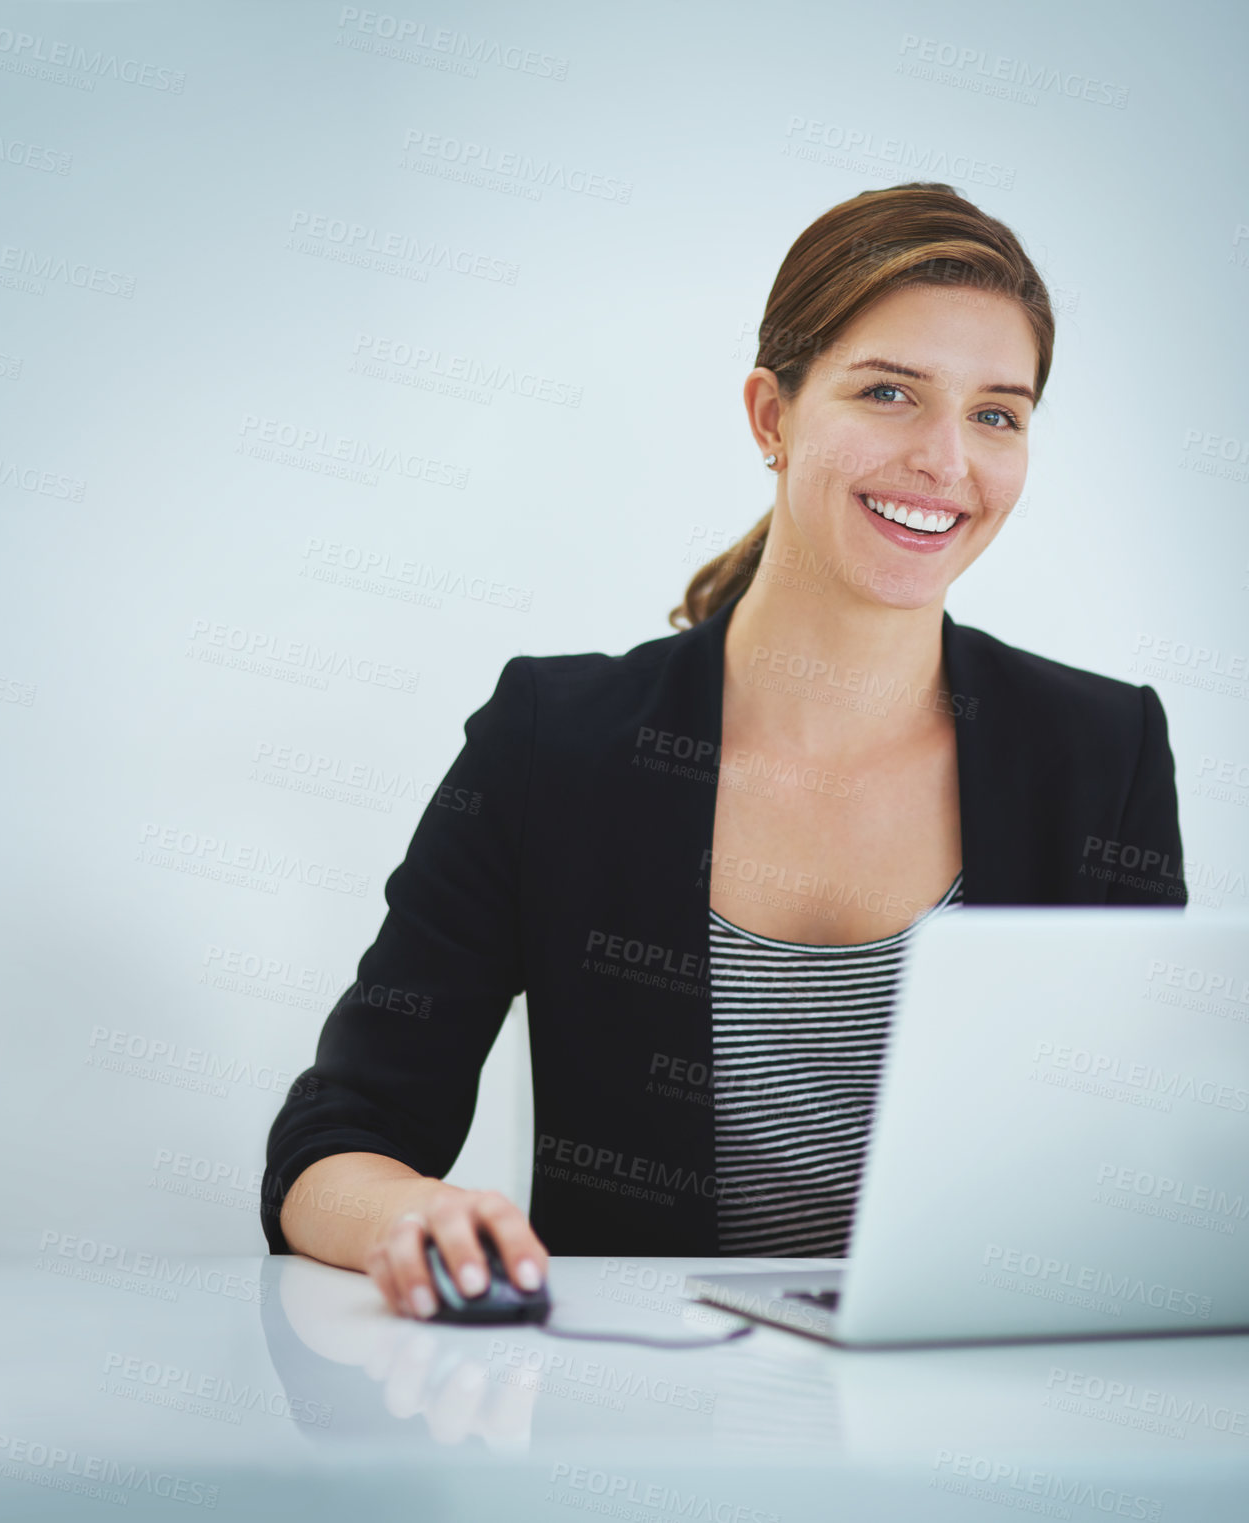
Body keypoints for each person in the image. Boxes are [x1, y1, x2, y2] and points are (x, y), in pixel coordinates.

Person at [261, 181, 1188, 1321]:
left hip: (975, 1428)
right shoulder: (556, 741)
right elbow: (335, 1141)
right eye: (889, 391)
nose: (947, 460)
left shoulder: (1104, 752)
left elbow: (1146, 1161)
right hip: (642, 1432)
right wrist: (410, 1213)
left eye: (998, 412)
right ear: (771, 415)